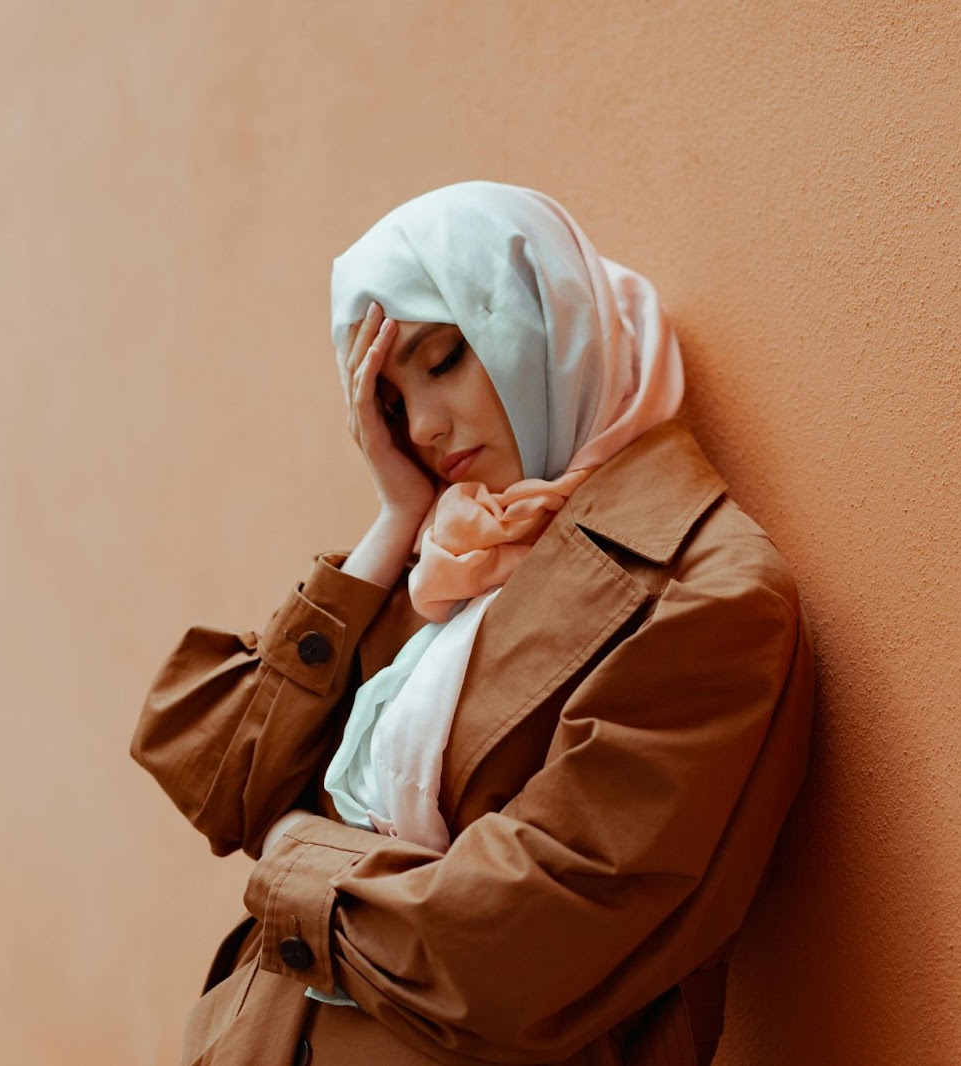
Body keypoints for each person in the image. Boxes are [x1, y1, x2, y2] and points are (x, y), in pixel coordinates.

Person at [130, 180, 816, 1065]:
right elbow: (227, 780)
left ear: (543, 322)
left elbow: (517, 938)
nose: (423, 424)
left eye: (446, 357)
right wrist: (390, 530)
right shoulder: (450, 561)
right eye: (388, 399)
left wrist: (296, 863)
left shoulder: (709, 595)